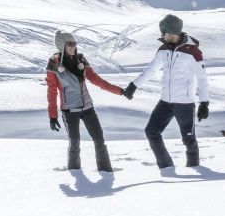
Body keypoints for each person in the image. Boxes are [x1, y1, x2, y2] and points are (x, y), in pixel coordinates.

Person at [123, 14, 210, 169]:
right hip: (165, 101)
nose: (162, 36)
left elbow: (202, 78)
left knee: (188, 139)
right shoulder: (163, 49)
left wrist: (204, 102)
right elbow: (150, 70)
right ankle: (166, 166)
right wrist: (134, 85)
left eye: (165, 33)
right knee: (151, 131)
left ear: (174, 32)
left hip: (184, 102)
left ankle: (194, 168)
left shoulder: (193, 52)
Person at [46, 29, 129, 172]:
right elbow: (52, 92)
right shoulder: (53, 66)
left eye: (74, 43)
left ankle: (106, 171)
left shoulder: (81, 60)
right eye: (69, 44)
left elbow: (98, 81)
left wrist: (120, 91)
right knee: (75, 142)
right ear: (62, 46)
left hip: (88, 108)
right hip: (70, 110)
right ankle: (75, 172)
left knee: (99, 139)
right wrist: (53, 116)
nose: (73, 46)